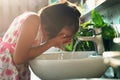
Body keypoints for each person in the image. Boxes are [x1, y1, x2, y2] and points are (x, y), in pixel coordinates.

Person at [0, 1, 81, 80]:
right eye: (64, 35)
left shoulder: (39, 28)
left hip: (14, 71)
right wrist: (51, 43)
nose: (64, 38)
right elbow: (19, 58)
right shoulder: (33, 20)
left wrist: (53, 43)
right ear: (56, 24)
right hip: (5, 68)